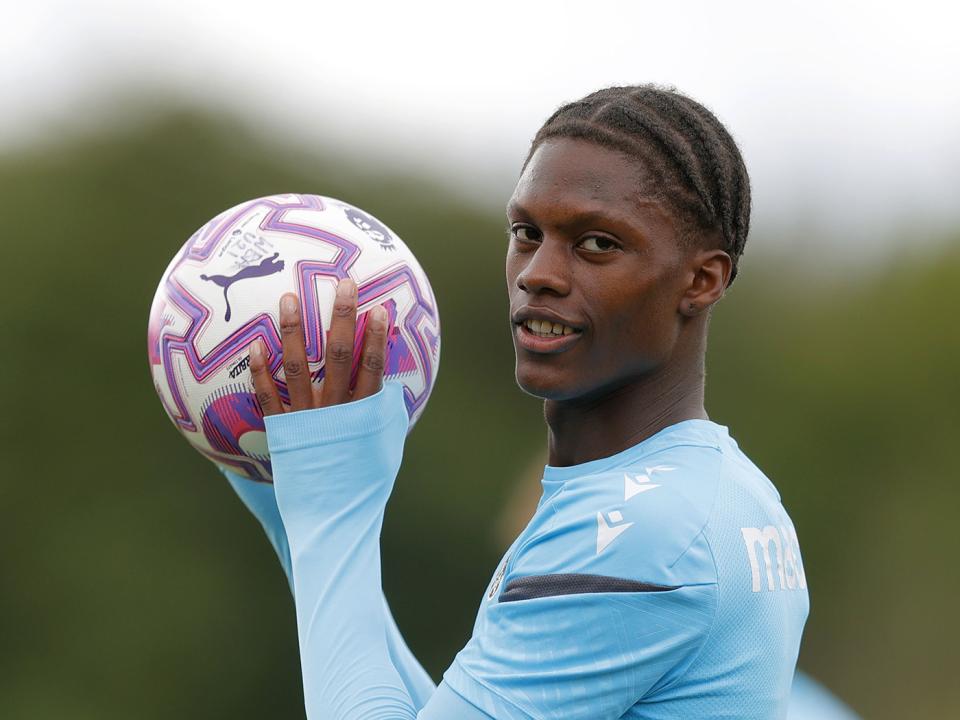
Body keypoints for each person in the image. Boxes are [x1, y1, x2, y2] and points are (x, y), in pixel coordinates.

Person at [223, 84, 810, 718]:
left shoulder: (642, 531)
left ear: (701, 279)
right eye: (527, 233)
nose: (538, 273)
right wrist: (295, 514)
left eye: (597, 244)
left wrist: (331, 508)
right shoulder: (722, 491)